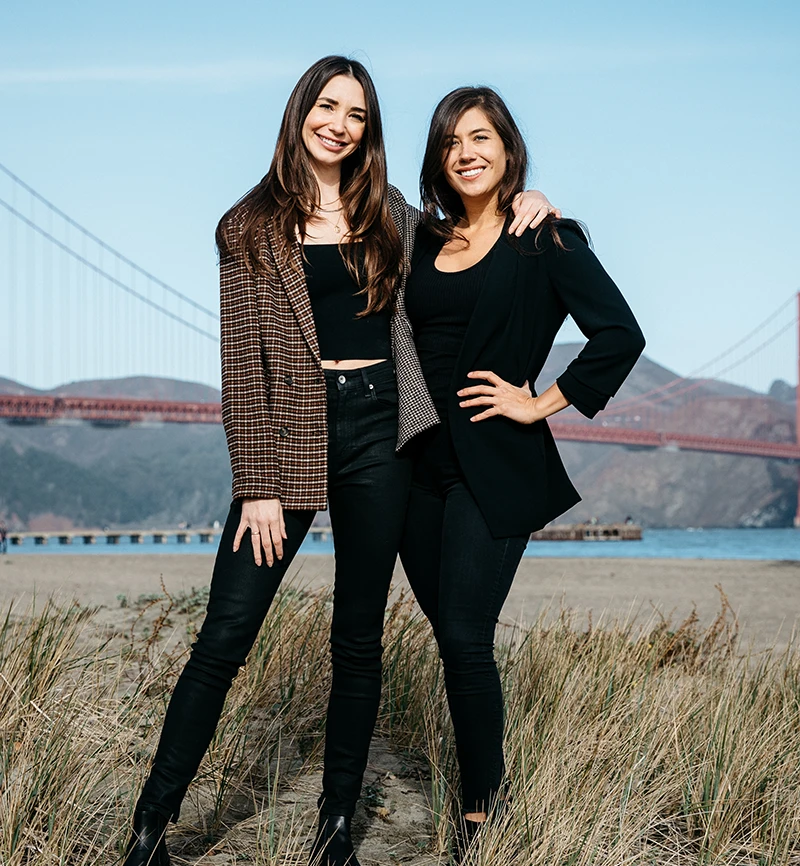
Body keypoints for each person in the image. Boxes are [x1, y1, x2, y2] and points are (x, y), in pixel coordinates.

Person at [122, 58, 556, 866]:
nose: (340, 124)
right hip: (287, 439)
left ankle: (336, 829)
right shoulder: (245, 225)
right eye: (328, 106)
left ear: (368, 130)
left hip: (381, 433)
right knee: (224, 634)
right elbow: (240, 366)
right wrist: (253, 485)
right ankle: (150, 829)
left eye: (357, 114)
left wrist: (529, 200)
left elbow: (473, 232)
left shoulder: (390, 210)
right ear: (301, 113)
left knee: (357, 636)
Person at [399, 86, 645, 859]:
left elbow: (619, 333)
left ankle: (482, 818)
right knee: (449, 637)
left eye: (481, 137)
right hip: (411, 465)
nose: (466, 152)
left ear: (508, 149)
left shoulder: (547, 238)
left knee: (467, 636)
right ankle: (479, 784)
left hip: (493, 465)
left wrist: (542, 404)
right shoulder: (415, 241)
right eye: (450, 142)